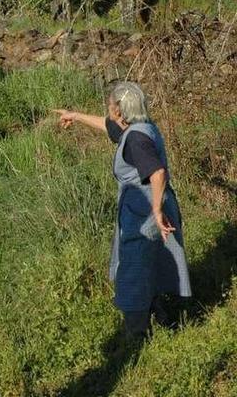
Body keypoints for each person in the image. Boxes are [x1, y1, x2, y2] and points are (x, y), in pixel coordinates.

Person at [54, 81, 191, 338]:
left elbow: (157, 173)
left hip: (145, 213)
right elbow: (109, 127)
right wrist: (75, 116)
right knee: (152, 264)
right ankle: (161, 316)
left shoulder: (136, 139)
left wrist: (156, 211)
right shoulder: (141, 128)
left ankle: (136, 336)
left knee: (134, 269)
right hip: (149, 207)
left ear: (119, 110)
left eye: (109, 106)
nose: (107, 111)